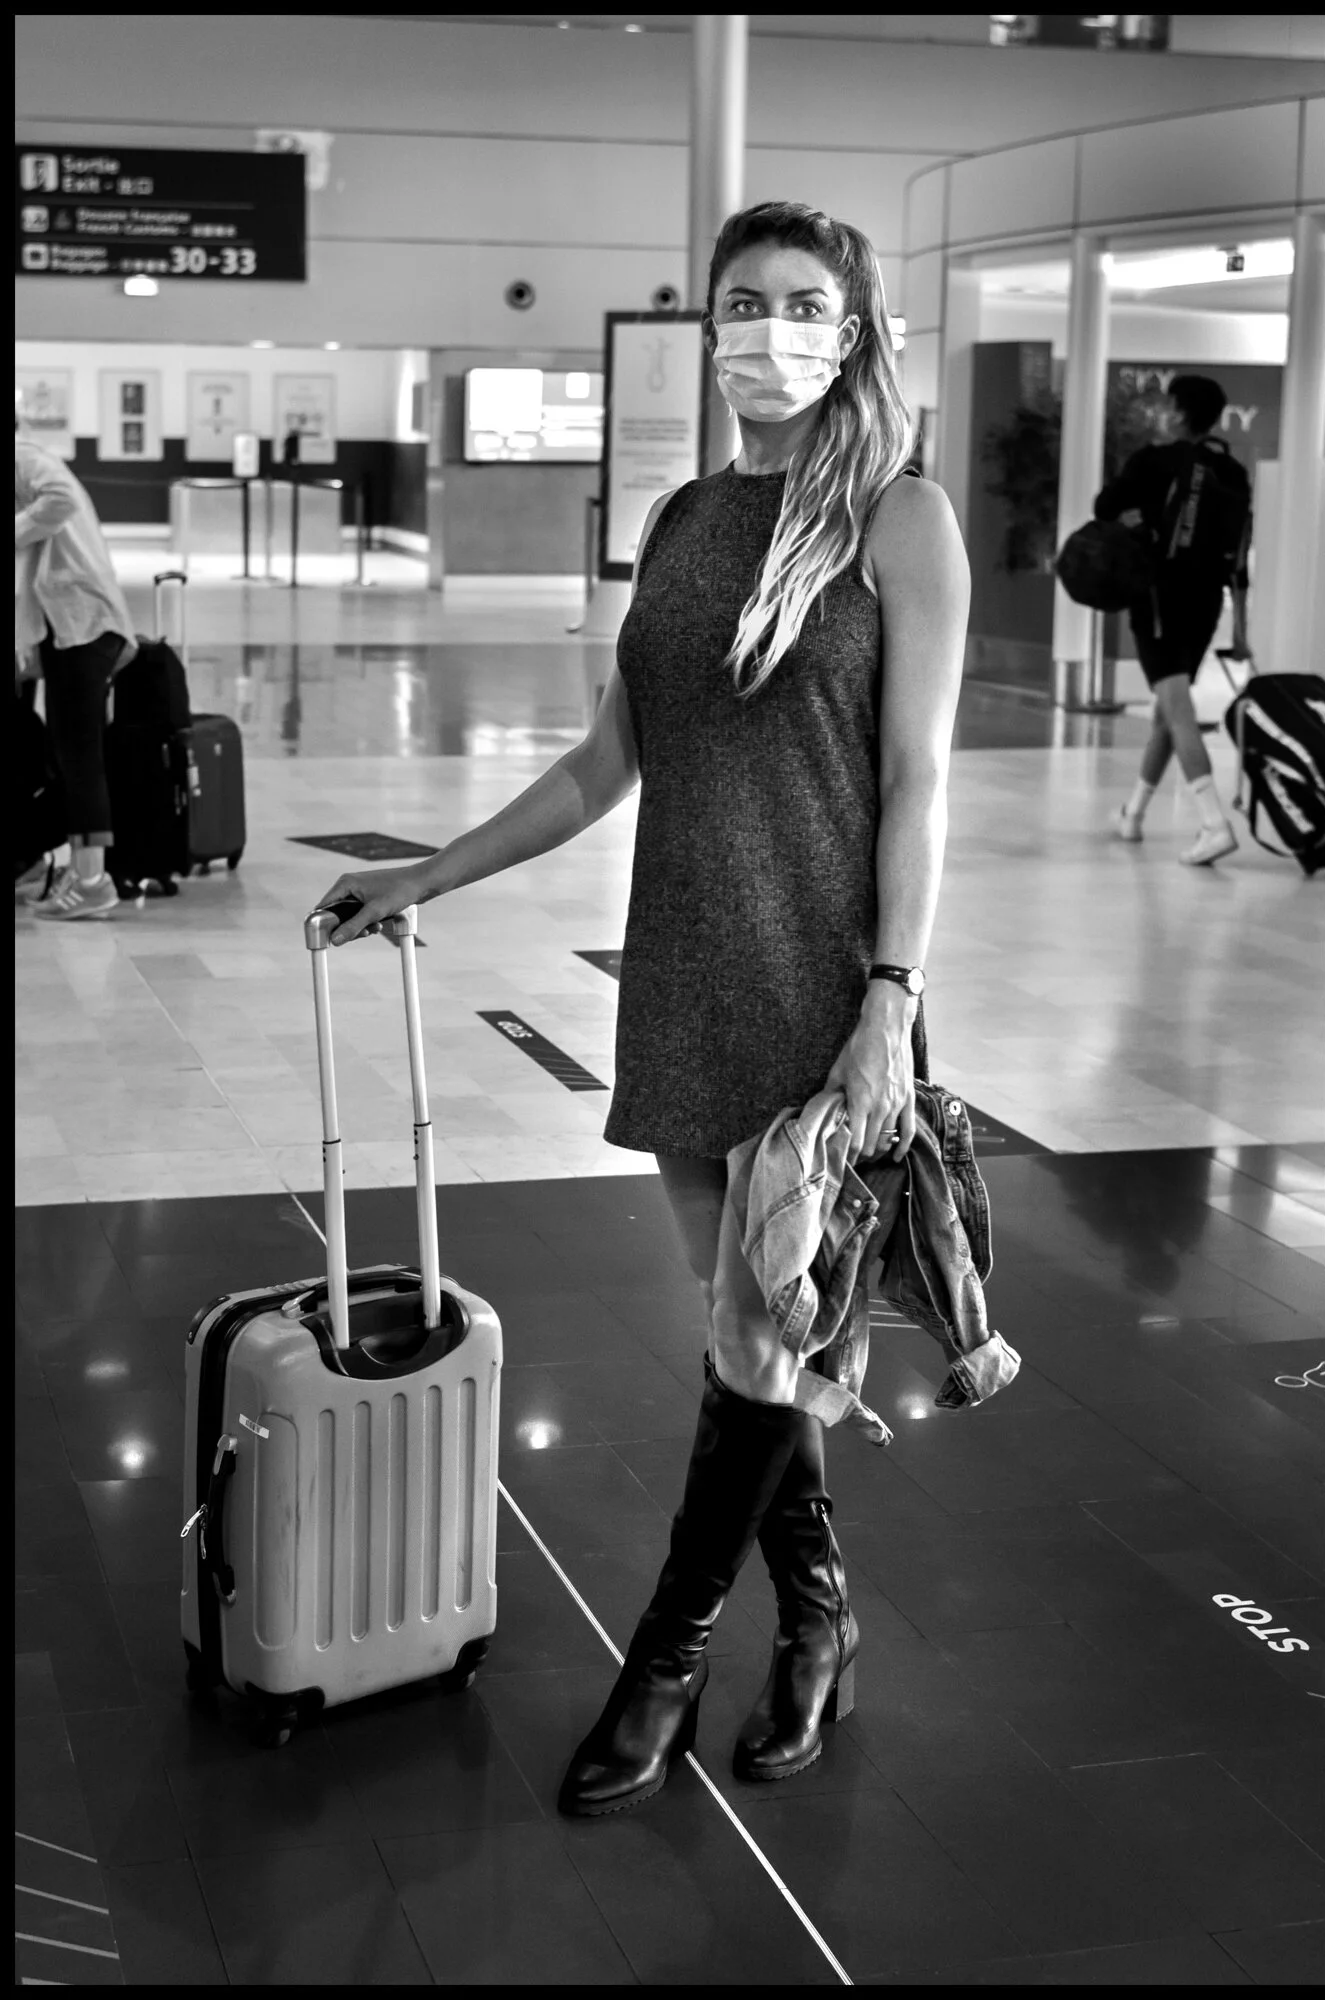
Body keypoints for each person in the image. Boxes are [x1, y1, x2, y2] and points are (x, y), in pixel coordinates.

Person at [313, 201, 969, 1815]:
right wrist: (431, 872)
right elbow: (607, 761)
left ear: (857, 322)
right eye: (741, 302)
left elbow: (918, 784)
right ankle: (817, 1619)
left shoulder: (901, 523)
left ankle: (666, 1655)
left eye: (801, 302)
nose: (766, 329)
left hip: (822, 995)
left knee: (762, 1342)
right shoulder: (682, 519)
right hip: (682, 974)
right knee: (757, 1351)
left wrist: (891, 998)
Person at [1096, 373, 1252, 865]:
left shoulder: (1153, 462)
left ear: (1180, 414)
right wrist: (1242, 627)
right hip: (1206, 604)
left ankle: (1213, 822)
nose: (1159, 413)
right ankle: (1133, 814)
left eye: (1167, 406)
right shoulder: (1232, 471)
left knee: (1178, 711)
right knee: (1167, 711)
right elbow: (1239, 555)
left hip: (1160, 600)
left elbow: (1104, 508)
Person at [15, 426, 137, 918]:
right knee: (57, 748)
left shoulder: (22, 456)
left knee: (79, 754)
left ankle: (93, 882)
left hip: (85, 627)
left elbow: (60, 498)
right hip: (68, 630)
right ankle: (42, 862)